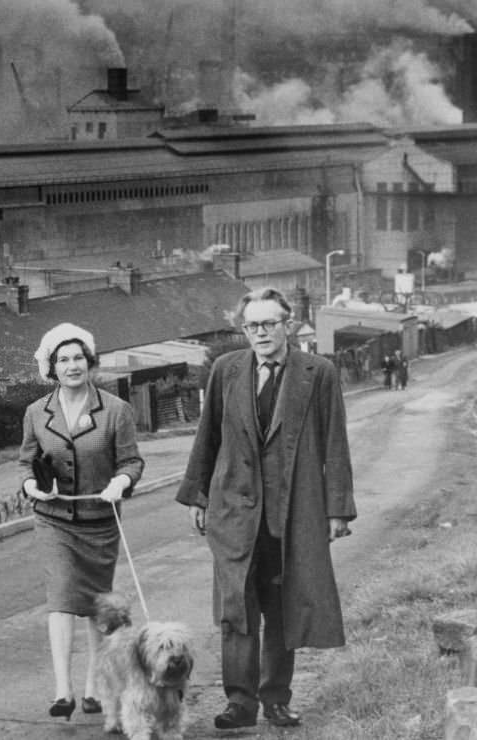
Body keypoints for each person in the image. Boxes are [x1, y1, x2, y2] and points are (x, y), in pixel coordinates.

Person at [176, 287, 356, 730]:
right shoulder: (226, 370)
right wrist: (198, 494)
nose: (260, 333)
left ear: (288, 324)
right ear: (244, 329)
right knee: (236, 608)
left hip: (292, 512)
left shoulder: (319, 372)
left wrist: (337, 510)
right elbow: (208, 438)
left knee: (282, 607)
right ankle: (240, 703)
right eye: (252, 325)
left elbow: (335, 441)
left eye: (269, 323)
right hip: (234, 512)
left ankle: (276, 698)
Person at [19, 322, 145, 721]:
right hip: (54, 520)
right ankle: (63, 690)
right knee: (60, 598)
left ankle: (93, 687)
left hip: (99, 520)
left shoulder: (116, 410)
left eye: (78, 358)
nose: (72, 366)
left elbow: (131, 461)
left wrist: (121, 482)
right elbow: (26, 461)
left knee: (95, 605)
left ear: (90, 364)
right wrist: (30, 486)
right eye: (63, 360)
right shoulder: (36, 413)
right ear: (51, 368)